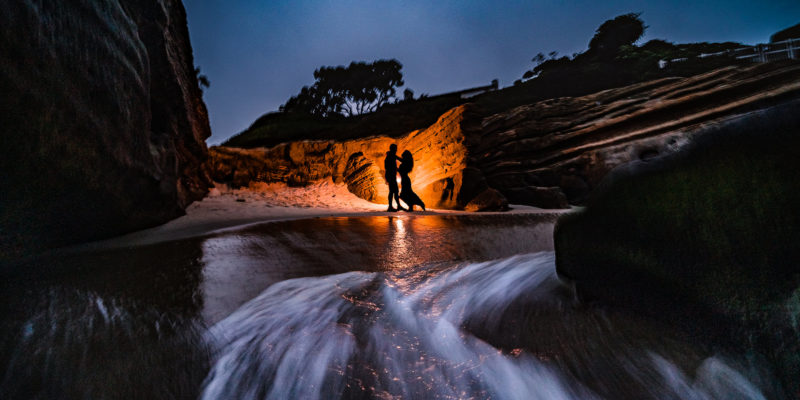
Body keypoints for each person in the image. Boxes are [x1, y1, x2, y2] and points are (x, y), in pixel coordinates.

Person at [384, 144, 404, 211]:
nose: (396, 150)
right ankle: (391, 207)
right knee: (393, 191)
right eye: (395, 149)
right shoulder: (390, 156)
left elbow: (399, 159)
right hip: (390, 176)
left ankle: (397, 206)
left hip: (391, 176)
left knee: (394, 191)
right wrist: (397, 169)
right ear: (393, 149)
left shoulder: (391, 155)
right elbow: (388, 167)